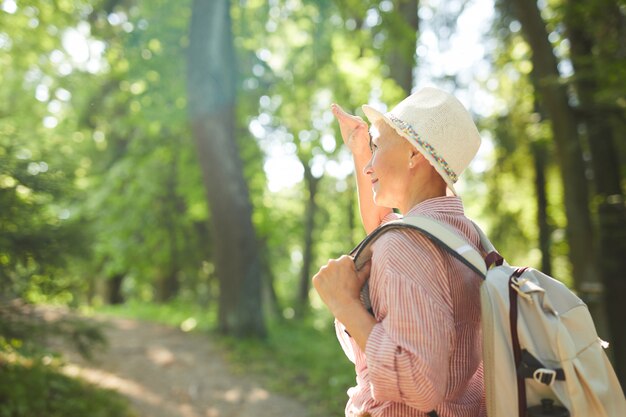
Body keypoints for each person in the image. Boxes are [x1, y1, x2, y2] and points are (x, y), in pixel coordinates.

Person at [312, 87, 486, 417]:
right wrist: (361, 149)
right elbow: (384, 229)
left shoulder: (406, 245)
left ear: (414, 154)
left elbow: (418, 383)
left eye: (378, 147)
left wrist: (343, 304)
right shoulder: (464, 237)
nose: (368, 167)